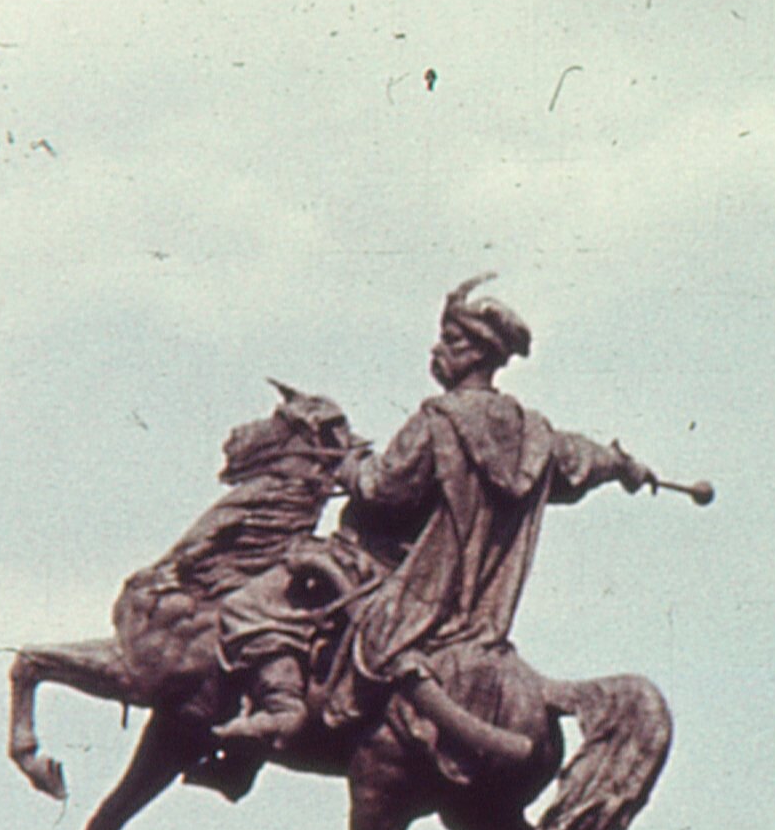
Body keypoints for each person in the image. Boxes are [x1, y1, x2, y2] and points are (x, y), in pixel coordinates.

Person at [284, 279, 677, 745]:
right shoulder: (535, 435)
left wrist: (347, 464)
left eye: (450, 342)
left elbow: (382, 489)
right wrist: (625, 466)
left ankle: (278, 712)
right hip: (481, 621)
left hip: (417, 601)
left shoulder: (439, 420)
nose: (437, 351)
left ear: (476, 354)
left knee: (280, 602)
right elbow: (584, 459)